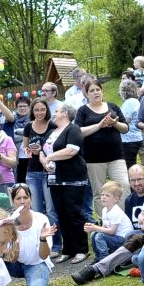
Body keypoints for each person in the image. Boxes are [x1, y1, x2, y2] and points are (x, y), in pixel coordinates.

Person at [71, 165, 144, 285]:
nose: (136, 183)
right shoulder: (129, 200)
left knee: (133, 239)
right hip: (131, 240)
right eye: (133, 180)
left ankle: (95, 269)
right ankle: (110, 262)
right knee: (130, 238)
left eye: (140, 179)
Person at [40, 104, 89, 264]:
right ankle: (68, 249)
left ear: (66, 113)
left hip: (72, 178)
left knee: (74, 214)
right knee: (62, 215)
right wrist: (45, 162)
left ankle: (82, 249)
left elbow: (71, 150)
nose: (53, 114)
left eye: (57, 111)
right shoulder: (50, 132)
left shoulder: (73, 129)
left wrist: (50, 157)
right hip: (55, 180)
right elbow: (42, 152)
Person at [75, 79, 131, 211]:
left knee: (124, 186)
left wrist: (114, 123)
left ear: (102, 91)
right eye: (92, 91)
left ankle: (124, 220)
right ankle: (105, 222)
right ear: (86, 94)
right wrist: (99, 126)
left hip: (116, 155)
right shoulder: (83, 110)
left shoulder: (112, 107)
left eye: (98, 89)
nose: (96, 93)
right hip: (94, 159)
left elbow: (125, 128)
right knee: (100, 192)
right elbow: (78, 131)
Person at [22, 97, 62, 256]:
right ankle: (41, 243)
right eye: (36, 110)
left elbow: (58, 146)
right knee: (37, 210)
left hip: (49, 172)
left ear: (47, 110)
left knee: (51, 210)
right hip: (32, 172)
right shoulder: (27, 127)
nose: (39, 112)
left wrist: (44, 152)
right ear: (32, 111)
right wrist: (31, 151)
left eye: (42, 109)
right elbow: (24, 148)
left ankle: (56, 245)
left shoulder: (52, 126)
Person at [5, 184, 56, 286]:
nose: (23, 202)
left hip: (37, 262)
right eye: (18, 198)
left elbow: (43, 256)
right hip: (16, 264)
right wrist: (15, 242)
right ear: (13, 202)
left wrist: (43, 239)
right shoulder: (8, 223)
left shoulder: (41, 219)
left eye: (26, 198)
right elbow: (12, 259)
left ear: (31, 200)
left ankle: (35, 276)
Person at [85, 180, 133, 264]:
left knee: (99, 236)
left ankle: (105, 261)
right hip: (115, 237)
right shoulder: (104, 210)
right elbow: (103, 228)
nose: (103, 197)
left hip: (123, 240)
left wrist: (95, 228)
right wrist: (93, 228)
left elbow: (112, 231)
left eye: (107, 195)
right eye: (102, 195)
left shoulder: (116, 211)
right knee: (94, 235)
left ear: (116, 199)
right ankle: (98, 257)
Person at [118, 79, 144, 170]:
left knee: (129, 166)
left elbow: (125, 121)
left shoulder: (130, 102)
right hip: (133, 138)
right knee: (130, 164)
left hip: (129, 139)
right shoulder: (134, 101)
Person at [12, 97, 32, 184]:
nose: (22, 108)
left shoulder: (33, 119)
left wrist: (17, 132)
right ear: (16, 107)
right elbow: (11, 136)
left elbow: (33, 133)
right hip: (16, 155)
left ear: (29, 107)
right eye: (20, 106)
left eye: (25, 106)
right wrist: (25, 134)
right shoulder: (12, 119)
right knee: (19, 181)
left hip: (30, 155)